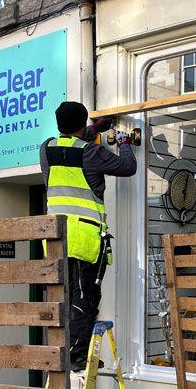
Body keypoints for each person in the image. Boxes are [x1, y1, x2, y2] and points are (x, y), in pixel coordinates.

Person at [40, 102, 137, 371]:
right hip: (84, 239)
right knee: (85, 299)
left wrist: (96, 128)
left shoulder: (46, 149)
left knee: (64, 296)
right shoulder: (91, 152)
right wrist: (124, 141)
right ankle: (77, 355)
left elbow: (70, 146)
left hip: (56, 239)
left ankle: (61, 350)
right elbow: (127, 167)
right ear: (82, 126)